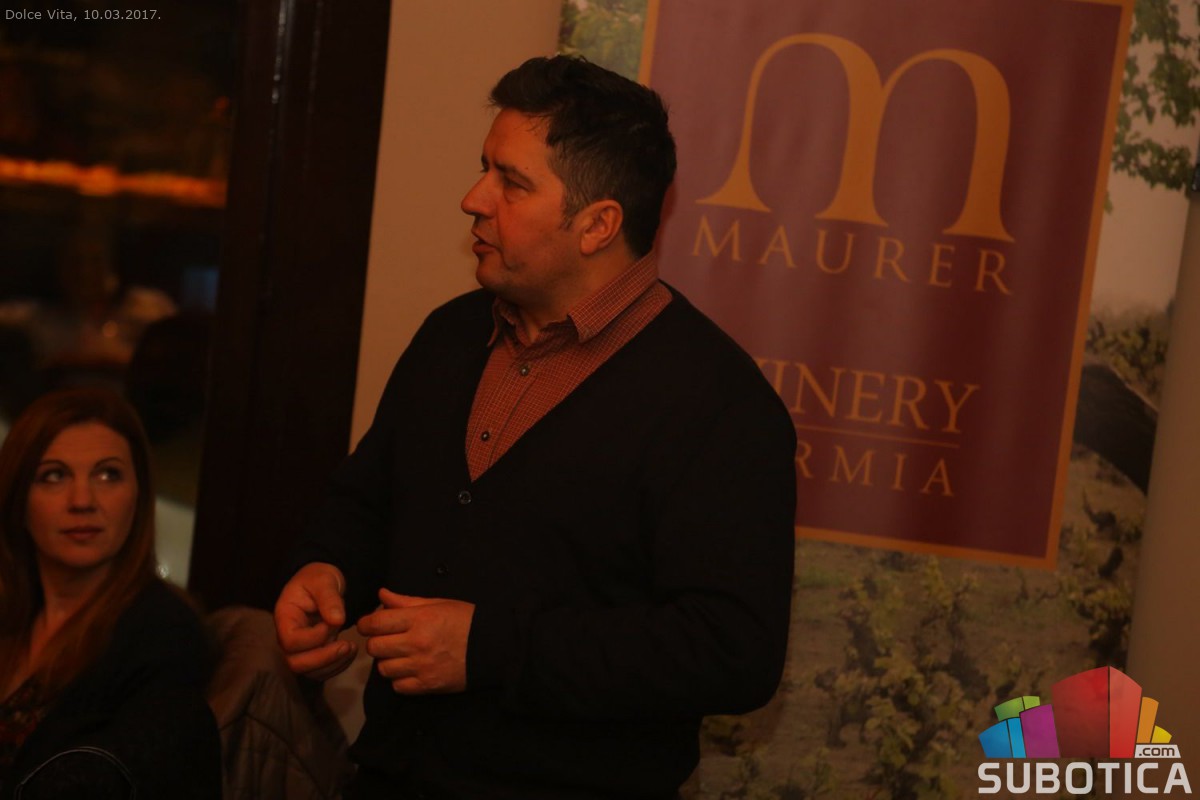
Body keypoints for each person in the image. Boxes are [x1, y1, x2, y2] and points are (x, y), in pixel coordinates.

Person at [274, 54, 797, 799]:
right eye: (483, 169)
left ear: (597, 225)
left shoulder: (718, 404)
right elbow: (368, 499)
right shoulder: (451, 336)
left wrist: (490, 649)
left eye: (510, 183)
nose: (473, 199)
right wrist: (327, 570)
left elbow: (731, 650)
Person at [0, 388, 221, 799]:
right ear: (18, 498)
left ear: (138, 494)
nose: (82, 501)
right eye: (54, 476)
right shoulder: (12, 612)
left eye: (107, 475)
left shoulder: (163, 634)